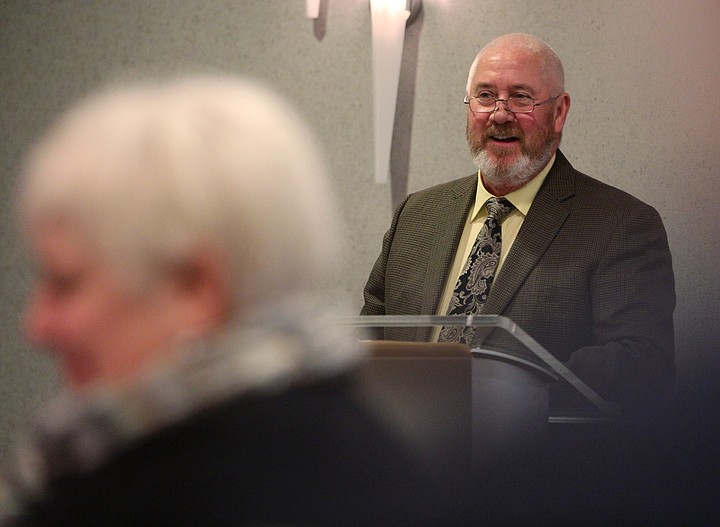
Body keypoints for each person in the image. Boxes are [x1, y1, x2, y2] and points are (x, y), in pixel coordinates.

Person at [1, 76, 456, 526]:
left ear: (195, 286)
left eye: (65, 284)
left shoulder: (172, 496)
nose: (37, 325)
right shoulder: (357, 448)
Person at [361, 33, 676, 407]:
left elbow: (640, 363)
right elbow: (367, 341)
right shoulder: (416, 215)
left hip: (535, 458)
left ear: (559, 112)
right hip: (406, 456)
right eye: (485, 96)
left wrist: (505, 399)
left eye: (521, 97)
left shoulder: (620, 225)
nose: (500, 114)